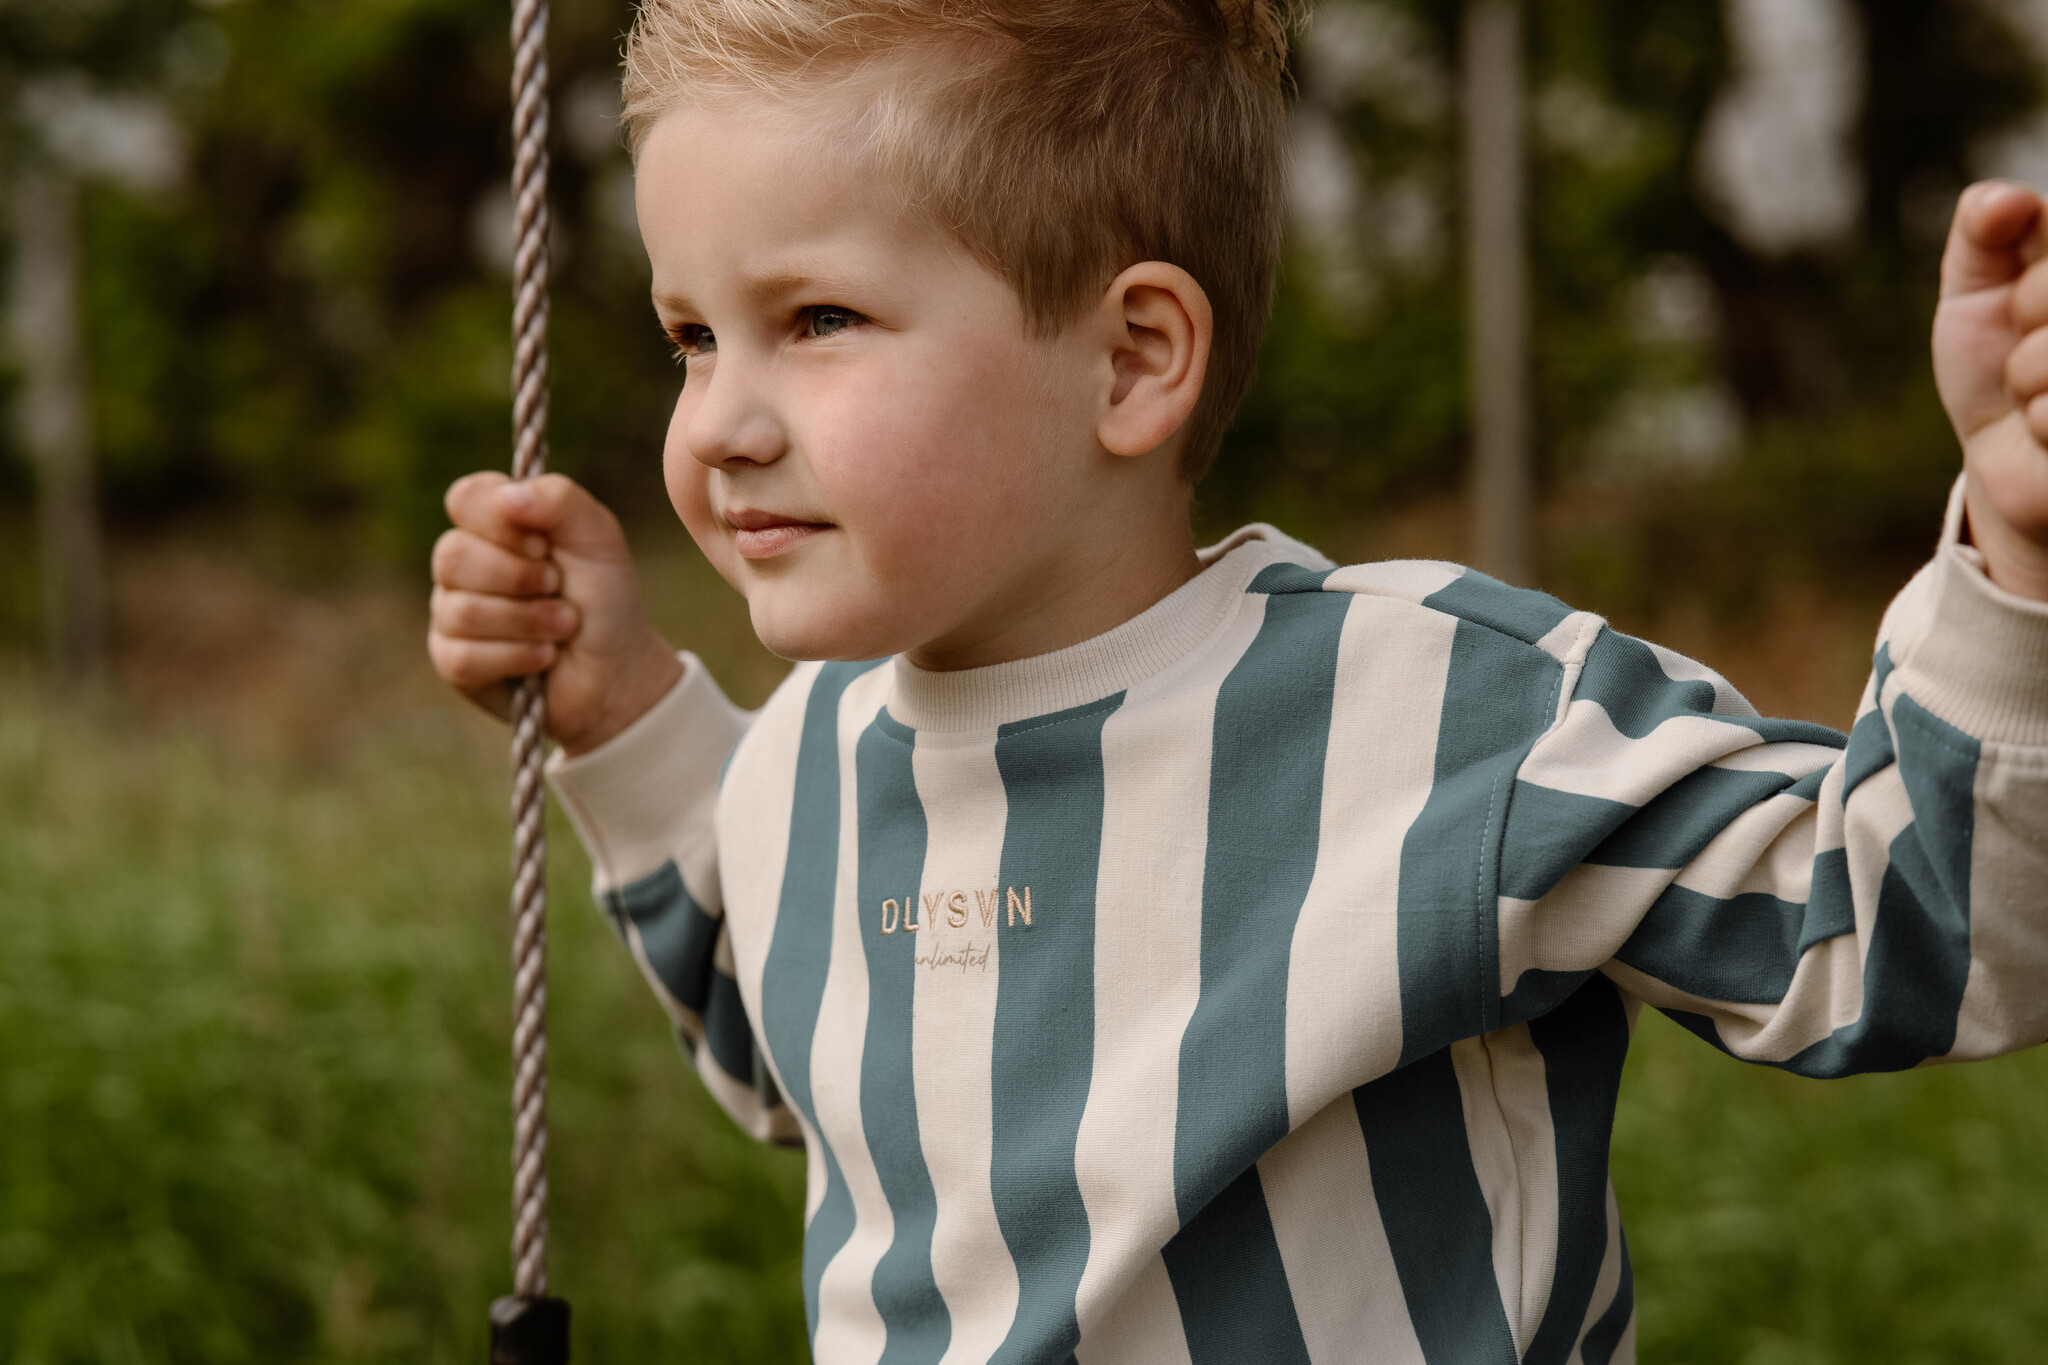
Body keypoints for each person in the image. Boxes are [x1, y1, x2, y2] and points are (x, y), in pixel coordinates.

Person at [425, 1, 2048, 1359]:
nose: (720, 423)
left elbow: (1905, 930)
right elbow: (796, 1047)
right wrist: (628, 714)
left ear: (1131, 357)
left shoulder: (1441, 714)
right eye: (693, 334)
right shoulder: (814, 756)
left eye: (819, 317)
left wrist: (2017, 563)